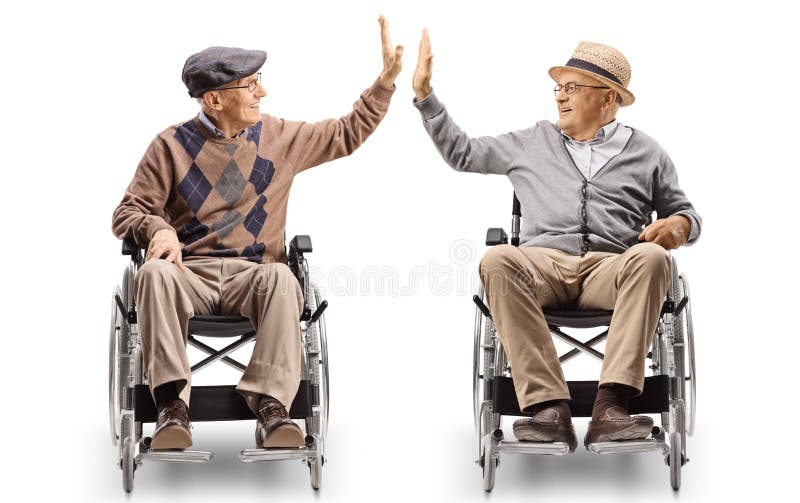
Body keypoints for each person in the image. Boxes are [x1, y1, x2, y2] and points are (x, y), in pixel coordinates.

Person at [112, 16, 403, 450]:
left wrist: (384, 84)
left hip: (255, 274)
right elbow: (127, 211)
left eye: (257, 82)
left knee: (284, 279)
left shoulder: (278, 138)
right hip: (189, 273)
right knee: (151, 275)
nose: (261, 92)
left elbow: (346, 133)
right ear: (214, 99)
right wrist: (158, 229)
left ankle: (271, 407)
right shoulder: (169, 146)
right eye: (249, 85)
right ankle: (172, 407)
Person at [412, 33, 701, 451]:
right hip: (542, 266)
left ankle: (611, 407)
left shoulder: (648, 153)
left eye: (572, 88)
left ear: (607, 99)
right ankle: (548, 407)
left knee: (654, 258)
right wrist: (425, 97)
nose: (560, 98)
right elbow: (463, 153)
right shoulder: (534, 141)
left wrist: (679, 226)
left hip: (613, 268)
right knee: (497, 259)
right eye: (559, 88)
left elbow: (687, 213)